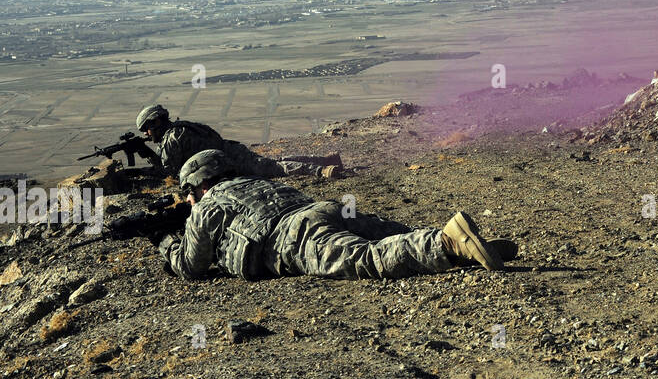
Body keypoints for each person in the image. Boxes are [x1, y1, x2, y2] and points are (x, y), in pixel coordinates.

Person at [159, 149, 517, 280]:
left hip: (293, 235)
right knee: (385, 232)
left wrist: (168, 247)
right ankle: (456, 241)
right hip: (323, 209)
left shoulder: (206, 208)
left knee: (367, 259)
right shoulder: (251, 182)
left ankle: (447, 243)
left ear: (197, 186)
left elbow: (193, 267)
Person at [134, 104, 345, 179]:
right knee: (272, 162)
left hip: (230, 161)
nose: (146, 134)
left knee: (275, 168)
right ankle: (325, 160)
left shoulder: (172, 139)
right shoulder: (182, 127)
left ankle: (322, 171)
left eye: (147, 129)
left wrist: (143, 167)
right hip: (230, 152)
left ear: (157, 122)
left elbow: (169, 171)